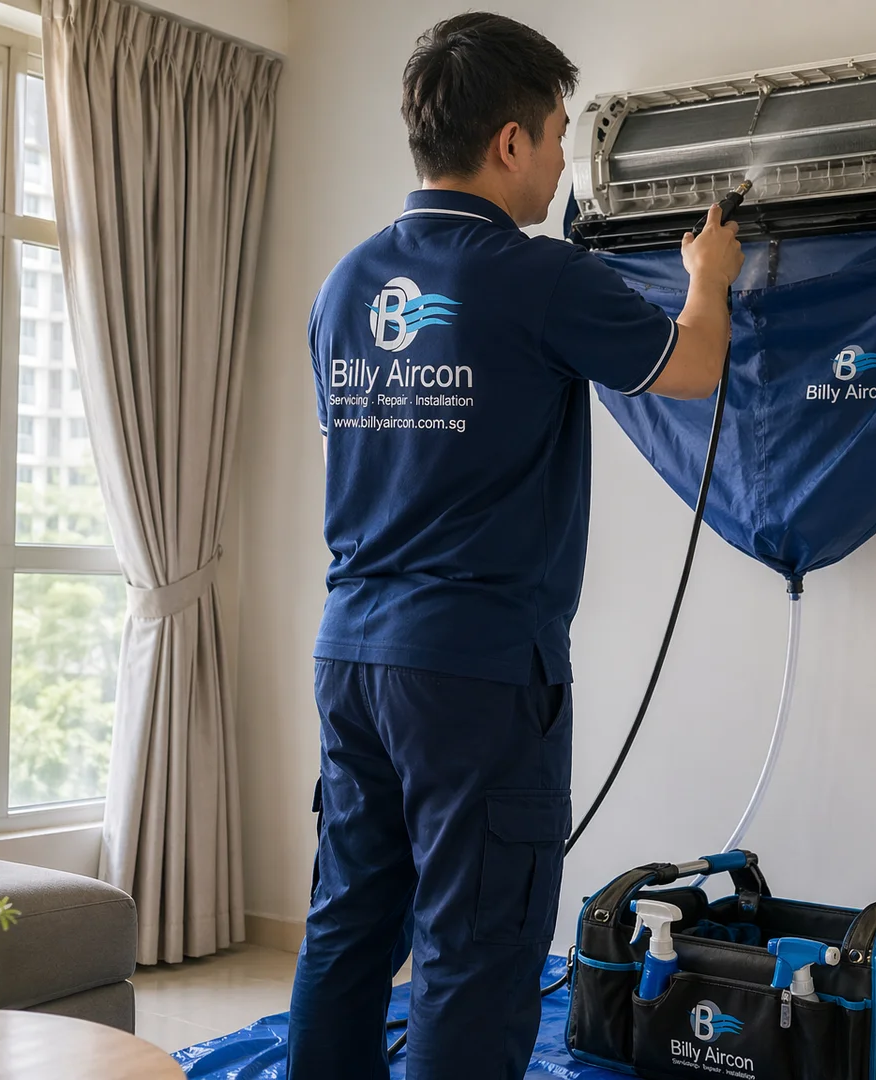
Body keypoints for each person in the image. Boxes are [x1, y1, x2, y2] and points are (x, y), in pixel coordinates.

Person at [286, 13, 745, 1080]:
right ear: (507, 143)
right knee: (476, 945)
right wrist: (708, 274)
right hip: (476, 673)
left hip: (351, 655)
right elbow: (690, 369)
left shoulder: (345, 285)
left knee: (350, 922)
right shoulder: (536, 274)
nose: (560, 162)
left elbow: (355, 445)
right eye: (556, 136)